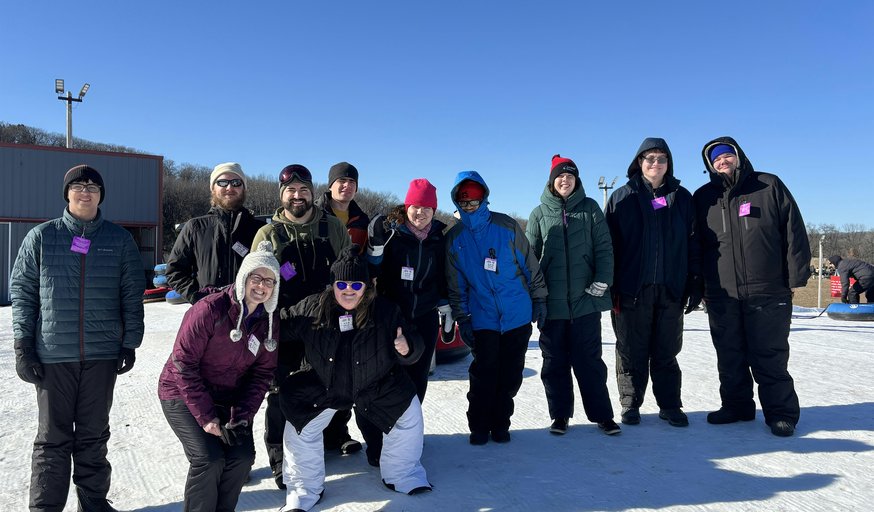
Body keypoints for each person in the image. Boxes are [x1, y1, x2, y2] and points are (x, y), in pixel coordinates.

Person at [10, 165, 145, 511]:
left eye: (93, 186)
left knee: (93, 435)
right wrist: (23, 345)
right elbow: (23, 292)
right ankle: (45, 507)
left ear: (101, 195)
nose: (86, 191)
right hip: (54, 356)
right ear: (67, 193)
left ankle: (93, 502)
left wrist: (129, 341)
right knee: (52, 440)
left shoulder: (119, 239)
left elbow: (132, 292)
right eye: (78, 185)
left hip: (101, 355)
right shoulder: (41, 237)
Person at [278, 245, 431, 511]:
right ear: (333, 284)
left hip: (375, 385)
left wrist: (409, 347)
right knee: (298, 426)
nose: (349, 289)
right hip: (324, 385)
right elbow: (279, 324)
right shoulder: (311, 308)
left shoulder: (385, 310)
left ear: (367, 285)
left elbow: (413, 338)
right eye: (342, 283)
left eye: (356, 284)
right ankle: (304, 489)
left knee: (408, 413)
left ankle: (402, 473)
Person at [693, 137, 810, 437]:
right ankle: (737, 405)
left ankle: (781, 413)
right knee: (729, 354)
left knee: (769, 354)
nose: (722, 162)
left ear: (738, 156)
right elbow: (695, 246)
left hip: (767, 290)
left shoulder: (767, 185)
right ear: (709, 166)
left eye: (726, 156)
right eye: (716, 159)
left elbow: (793, 229)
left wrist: (795, 276)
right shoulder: (703, 197)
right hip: (722, 293)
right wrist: (698, 285)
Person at [251, 164, 358, 488]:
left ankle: (335, 434)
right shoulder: (268, 235)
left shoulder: (332, 227)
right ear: (282, 195)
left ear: (313, 193)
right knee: (281, 390)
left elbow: (349, 270)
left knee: (336, 379)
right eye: (291, 191)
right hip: (285, 323)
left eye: (303, 190)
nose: (297, 196)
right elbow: (257, 283)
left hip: (327, 321)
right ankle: (280, 458)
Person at [158, 241, 280, 511]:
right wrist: (205, 416)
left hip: (228, 397)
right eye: (256, 278)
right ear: (243, 278)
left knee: (241, 458)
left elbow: (262, 373)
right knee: (209, 459)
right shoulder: (210, 309)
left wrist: (244, 415)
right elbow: (183, 363)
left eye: (269, 281)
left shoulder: (268, 321)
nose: (261, 286)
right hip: (180, 391)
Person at [445, 171, 548, 445]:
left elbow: (530, 266)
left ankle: (501, 423)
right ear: (457, 202)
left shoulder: (506, 227)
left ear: (483, 198)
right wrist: (463, 317)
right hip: (483, 318)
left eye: (474, 200)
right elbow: (457, 286)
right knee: (483, 375)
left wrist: (538, 298)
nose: (469, 206)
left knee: (511, 374)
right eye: (464, 202)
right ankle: (479, 426)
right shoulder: (454, 239)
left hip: (517, 314)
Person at [605, 138, 699, 428]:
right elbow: (608, 246)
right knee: (631, 350)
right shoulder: (622, 197)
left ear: (669, 163)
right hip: (632, 289)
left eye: (661, 158)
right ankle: (631, 404)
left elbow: (694, 242)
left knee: (666, 351)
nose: (655, 164)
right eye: (650, 158)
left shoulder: (682, 198)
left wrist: (695, 282)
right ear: (639, 162)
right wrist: (610, 286)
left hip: (671, 289)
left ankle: (670, 405)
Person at [527, 155, 620, 436]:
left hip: (585, 301)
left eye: (570, 176)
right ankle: (560, 416)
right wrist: (536, 295)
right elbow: (530, 258)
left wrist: (603, 279)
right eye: (560, 176)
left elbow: (605, 247)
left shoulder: (590, 208)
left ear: (576, 180)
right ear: (551, 181)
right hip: (551, 305)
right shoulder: (539, 214)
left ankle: (603, 416)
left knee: (589, 362)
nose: (565, 179)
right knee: (554, 363)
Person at [360, 178, 449, 465]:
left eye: (426, 207)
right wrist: (374, 245)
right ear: (406, 206)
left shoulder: (439, 239)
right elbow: (372, 268)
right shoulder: (392, 234)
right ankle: (377, 439)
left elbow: (445, 276)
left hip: (423, 318)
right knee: (381, 378)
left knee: (417, 378)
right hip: (389, 317)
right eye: (415, 206)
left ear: (434, 210)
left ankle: (407, 433)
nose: (420, 213)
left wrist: (446, 305)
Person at [165, 162, 265, 303]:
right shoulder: (195, 227)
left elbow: (281, 270)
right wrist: (198, 297)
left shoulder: (261, 230)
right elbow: (174, 271)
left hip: (251, 316)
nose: (229, 187)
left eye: (236, 182)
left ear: (244, 188)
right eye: (222, 182)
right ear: (213, 188)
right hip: (209, 317)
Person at [316, 161, 370, 251]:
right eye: (342, 180)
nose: (347, 185)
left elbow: (368, 259)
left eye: (352, 181)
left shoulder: (363, 221)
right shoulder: (313, 214)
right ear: (330, 186)